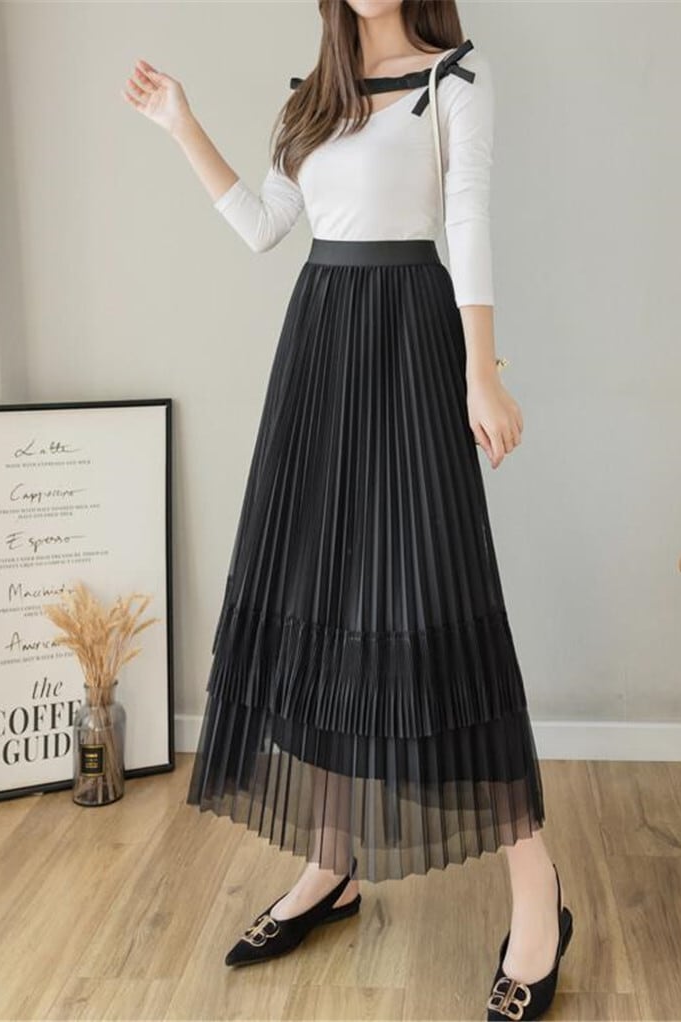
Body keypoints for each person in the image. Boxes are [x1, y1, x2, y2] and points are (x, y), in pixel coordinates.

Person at [122, 1, 573, 1017]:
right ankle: (333, 864)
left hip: (412, 349)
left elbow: (468, 223)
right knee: (320, 599)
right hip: (319, 354)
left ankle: (537, 895)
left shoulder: (455, 80)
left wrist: (483, 373)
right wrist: (182, 125)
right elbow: (265, 228)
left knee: (437, 604)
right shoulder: (311, 98)